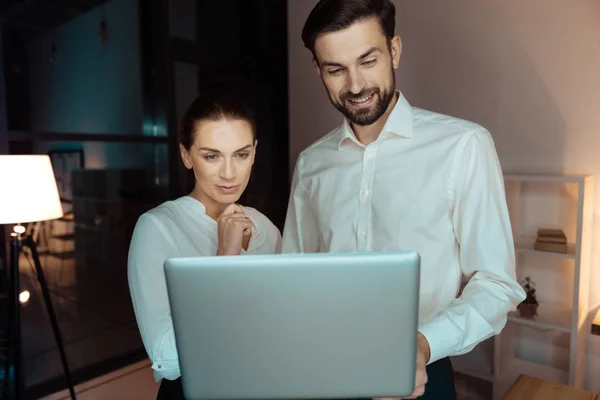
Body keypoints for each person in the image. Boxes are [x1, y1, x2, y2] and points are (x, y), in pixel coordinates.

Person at [282, 0, 526, 399]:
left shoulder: (464, 146)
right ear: (317, 70)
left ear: (394, 50)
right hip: (326, 373)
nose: (356, 85)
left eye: (368, 60)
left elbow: (497, 283)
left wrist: (423, 344)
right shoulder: (311, 164)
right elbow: (293, 277)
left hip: (423, 376)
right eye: (335, 69)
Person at [128, 91, 281, 399]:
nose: (229, 173)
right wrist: (224, 258)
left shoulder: (265, 229)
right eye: (212, 156)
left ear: (254, 151)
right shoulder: (157, 228)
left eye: (241, 154)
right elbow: (168, 360)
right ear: (186, 155)